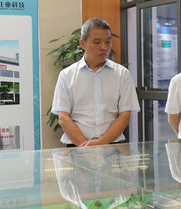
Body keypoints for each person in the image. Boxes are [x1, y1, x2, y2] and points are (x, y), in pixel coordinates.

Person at [51, 18, 139, 146]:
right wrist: (85, 146)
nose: (104, 47)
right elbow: (63, 117)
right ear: (83, 43)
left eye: (108, 42)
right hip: (77, 147)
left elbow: (125, 115)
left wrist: (100, 143)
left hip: (112, 146)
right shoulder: (67, 75)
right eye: (97, 42)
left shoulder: (122, 74)